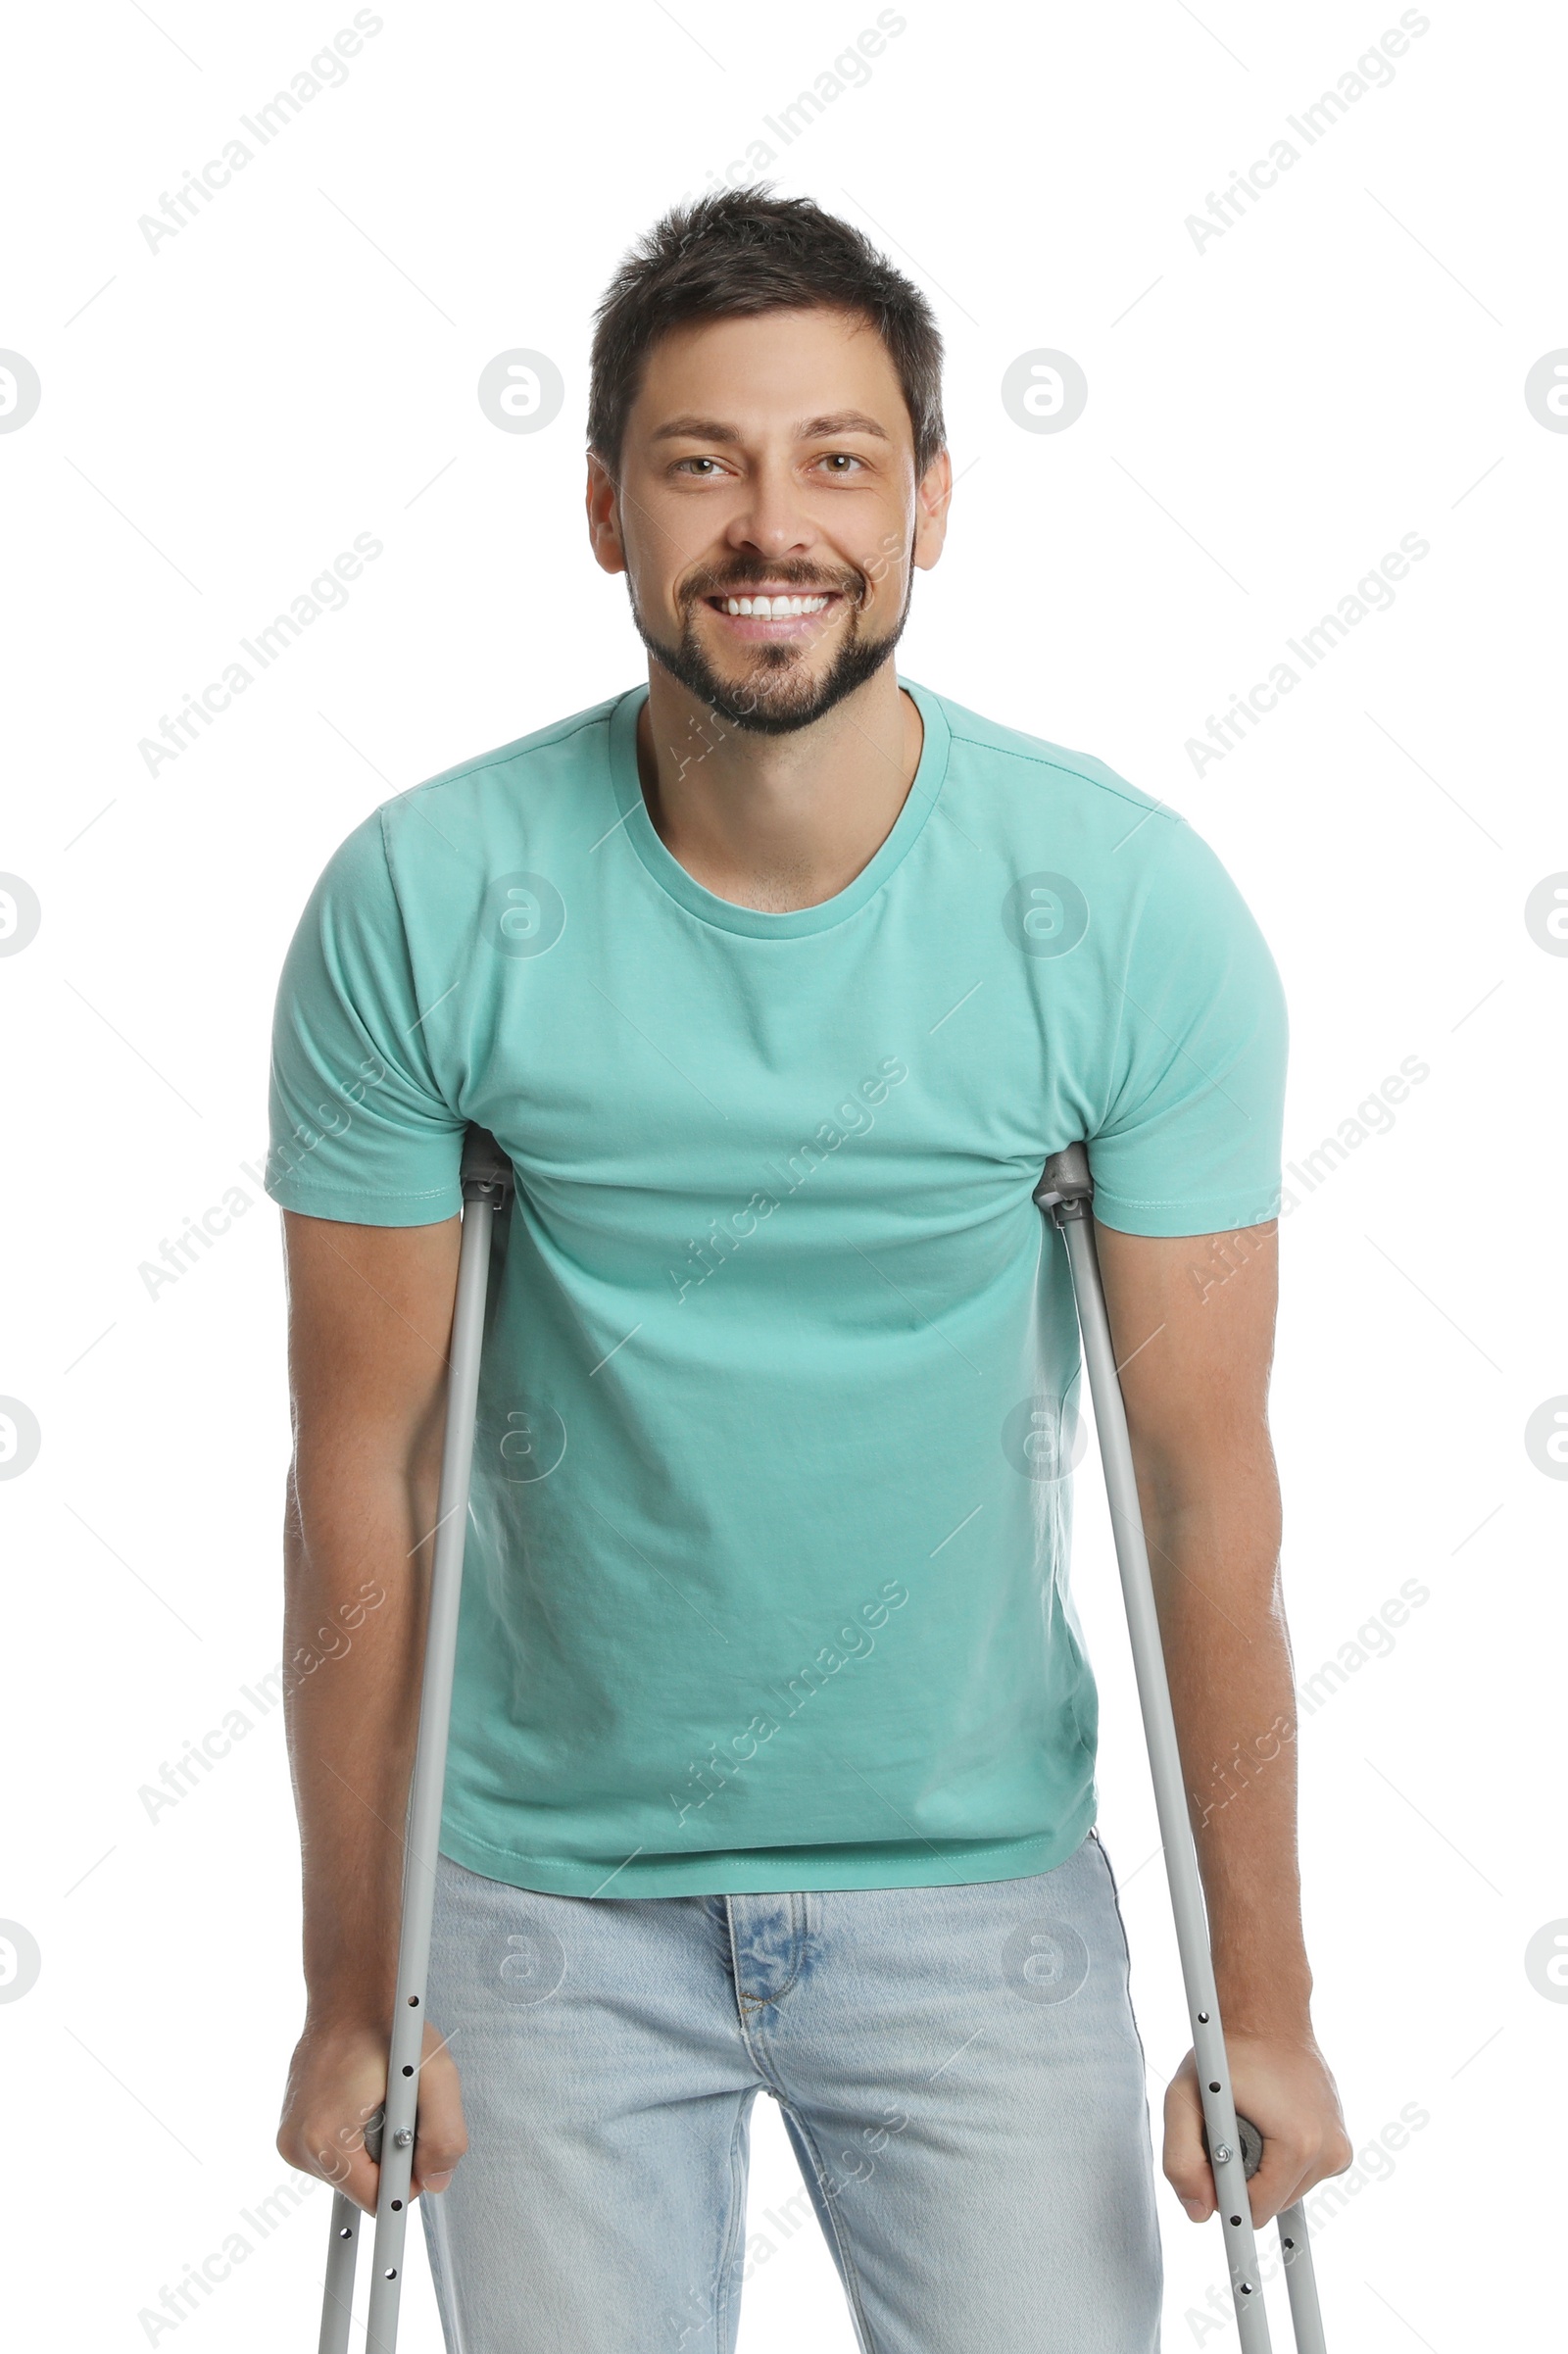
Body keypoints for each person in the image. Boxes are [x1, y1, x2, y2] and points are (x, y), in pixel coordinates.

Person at [270, 186, 1350, 2352]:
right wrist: (339, 1989)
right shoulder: (426, 901)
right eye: (702, 462)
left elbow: (1196, 1487)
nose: (775, 526)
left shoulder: (1121, 911)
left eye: (837, 458)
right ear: (604, 509)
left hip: (974, 1898)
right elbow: (360, 1480)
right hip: (547, 1906)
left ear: (929, 498)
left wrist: (1267, 2002)